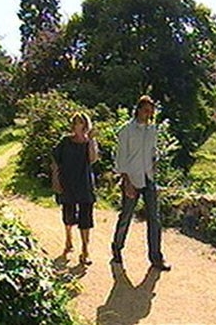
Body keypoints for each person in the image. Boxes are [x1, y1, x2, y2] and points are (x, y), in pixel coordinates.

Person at [110, 95, 171, 271]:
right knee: (126, 215)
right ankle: (117, 247)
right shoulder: (126, 131)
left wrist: (155, 161)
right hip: (132, 178)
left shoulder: (152, 130)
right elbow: (121, 158)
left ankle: (156, 257)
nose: (149, 114)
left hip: (149, 178)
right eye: (146, 111)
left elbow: (152, 151)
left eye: (151, 111)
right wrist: (126, 182)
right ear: (138, 110)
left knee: (154, 219)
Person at [51, 112, 99, 266]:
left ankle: (85, 250)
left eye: (81, 122)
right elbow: (55, 161)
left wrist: (91, 140)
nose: (79, 126)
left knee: (86, 219)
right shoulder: (65, 141)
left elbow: (92, 159)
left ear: (86, 125)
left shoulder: (89, 142)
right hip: (67, 183)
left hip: (84, 183)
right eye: (76, 122)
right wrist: (55, 180)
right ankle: (68, 239)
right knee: (68, 216)